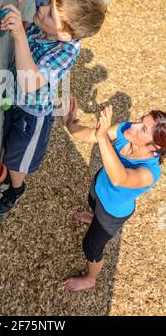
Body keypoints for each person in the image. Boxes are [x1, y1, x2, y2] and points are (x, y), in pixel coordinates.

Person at [0, 0, 107, 214]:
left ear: (65, 34)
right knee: (7, 140)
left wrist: (19, 35)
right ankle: (9, 174)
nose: (43, 8)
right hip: (16, 98)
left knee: (17, 159)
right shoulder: (53, 10)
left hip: (33, 116)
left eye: (51, 14)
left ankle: (15, 188)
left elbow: (31, 81)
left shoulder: (65, 52)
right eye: (51, 2)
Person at [62, 96, 166, 292]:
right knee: (92, 204)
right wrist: (70, 124)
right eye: (140, 120)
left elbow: (119, 177)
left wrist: (102, 137)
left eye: (143, 129)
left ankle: (90, 278)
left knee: (91, 248)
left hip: (112, 213)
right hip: (98, 190)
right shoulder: (125, 130)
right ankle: (94, 217)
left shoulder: (150, 173)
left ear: (155, 147)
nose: (133, 126)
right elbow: (90, 135)